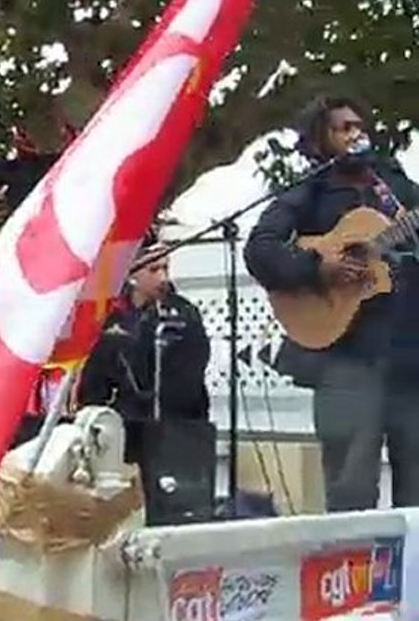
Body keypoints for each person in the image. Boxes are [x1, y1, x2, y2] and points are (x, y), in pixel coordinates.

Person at [244, 94, 419, 511]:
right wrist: (315, 269)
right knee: (350, 489)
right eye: (345, 128)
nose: (357, 135)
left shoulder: (395, 186)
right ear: (321, 140)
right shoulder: (310, 192)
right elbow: (260, 249)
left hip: (410, 359)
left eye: (360, 126)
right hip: (348, 360)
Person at [75, 237, 211, 424]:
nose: (163, 277)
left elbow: (191, 375)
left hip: (174, 424)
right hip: (121, 422)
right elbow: (95, 378)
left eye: (166, 268)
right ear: (132, 272)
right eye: (153, 270)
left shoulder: (184, 316)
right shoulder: (110, 315)